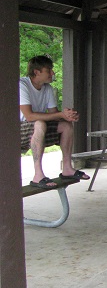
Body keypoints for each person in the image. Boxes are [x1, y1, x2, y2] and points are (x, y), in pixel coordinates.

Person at [19, 55, 90, 189]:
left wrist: (68, 116)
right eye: (49, 70)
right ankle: (38, 175)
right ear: (37, 72)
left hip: (39, 128)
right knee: (39, 123)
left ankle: (67, 169)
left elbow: (54, 115)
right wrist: (60, 114)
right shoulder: (22, 85)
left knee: (66, 126)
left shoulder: (48, 88)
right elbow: (29, 116)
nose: (52, 73)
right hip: (18, 131)